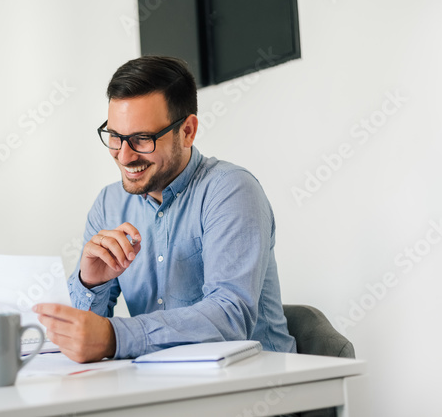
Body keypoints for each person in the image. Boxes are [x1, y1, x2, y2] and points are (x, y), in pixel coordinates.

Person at [34, 56, 296, 362]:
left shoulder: (231, 190)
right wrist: (90, 281)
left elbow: (230, 315)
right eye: (116, 137)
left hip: (257, 387)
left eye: (142, 139)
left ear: (187, 131)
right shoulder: (109, 204)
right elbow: (79, 339)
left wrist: (116, 337)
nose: (124, 156)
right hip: (162, 383)